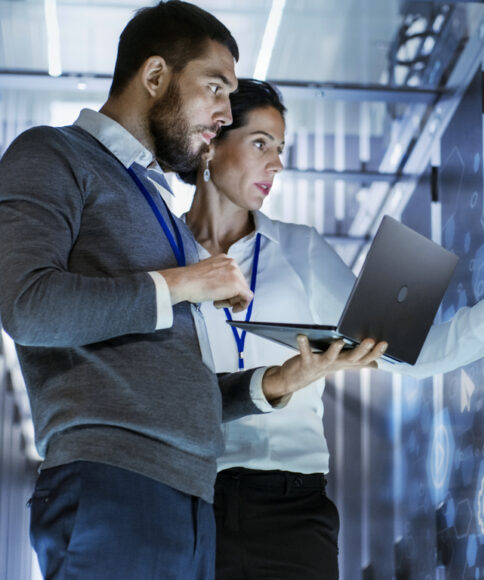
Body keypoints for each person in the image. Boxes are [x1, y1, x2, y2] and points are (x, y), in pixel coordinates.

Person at [0, 3, 385, 578]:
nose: (224, 113)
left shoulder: (155, 202)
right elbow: (27, 306)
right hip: (112, 485)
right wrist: (186, 281)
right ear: (155, 77)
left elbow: (175, 378)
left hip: (190, 499)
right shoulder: (51, 153)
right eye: (215, 87)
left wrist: (276, 383)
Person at [182, 78, 484, 579]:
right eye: (260, 144)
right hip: (190, 500)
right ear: (212, 142)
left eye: (281, 149)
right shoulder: (162, 255)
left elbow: (410, 354)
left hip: (291, 507)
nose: (277, 163)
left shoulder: (301, 250)